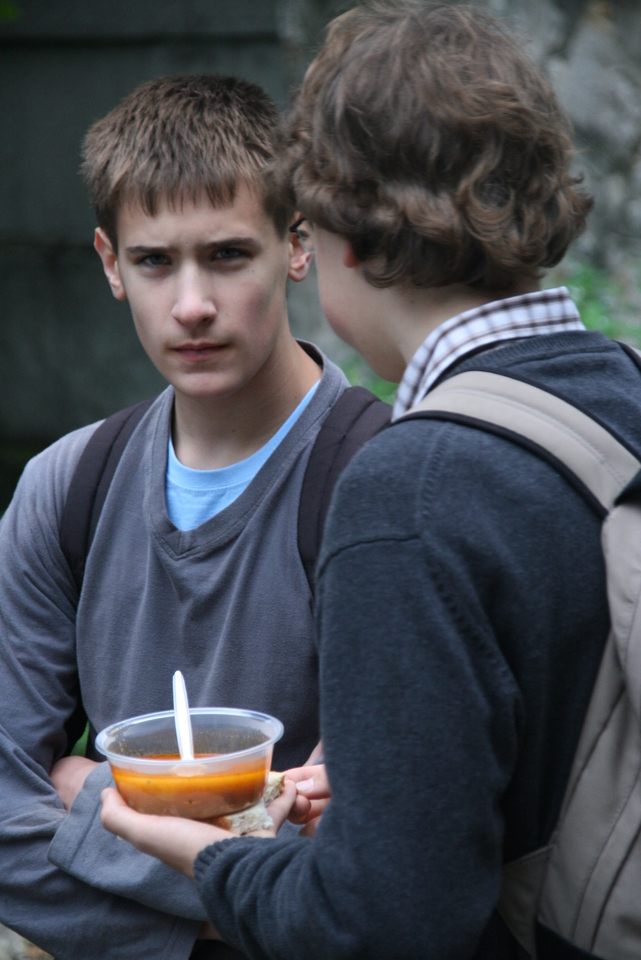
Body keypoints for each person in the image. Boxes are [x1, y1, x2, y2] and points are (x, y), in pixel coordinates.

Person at [100, 3, 641, 958]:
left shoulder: (410, 492)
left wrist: (213, 859)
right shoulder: (619, 390)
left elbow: (382, 925)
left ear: (338, 239)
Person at [0, 73, 355, 960]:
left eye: (227, 255)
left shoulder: (381, 480)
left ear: (297, 244)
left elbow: (375, 857)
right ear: (110, 263)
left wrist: (88, 794)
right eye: (155, 261)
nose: (192, 305)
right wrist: (239, 909)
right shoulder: (64, 487)